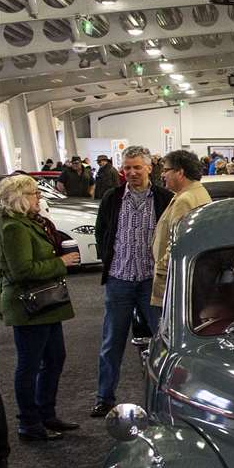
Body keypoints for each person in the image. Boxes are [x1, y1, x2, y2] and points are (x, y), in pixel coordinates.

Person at [0, 173, 80, 443]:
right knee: (29, 365)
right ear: (21, 198)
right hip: (29, 306)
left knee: (55, 359)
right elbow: (22, 270)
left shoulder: (28, 223)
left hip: (45, 304)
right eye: (34, 193)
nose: (39, 197)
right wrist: (62, 263)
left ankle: (46, 413)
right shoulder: (14, 228)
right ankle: (29, 423)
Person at [90, 146, 172, 417]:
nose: (132, 173)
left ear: (150, 168)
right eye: (127, 168)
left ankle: (168, 395)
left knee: (164, 339)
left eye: (137, 167)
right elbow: (102, 231)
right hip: (120, 279)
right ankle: (104, 397)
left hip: (152, 281)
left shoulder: (164, 199)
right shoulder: (112, 198)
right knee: (112, 341)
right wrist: (108, 260)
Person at [149, 149, 212, 320]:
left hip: (175, 280)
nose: (162, 175)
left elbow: (179, 244)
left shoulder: (185, 199)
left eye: (166, 170)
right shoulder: (197, 192)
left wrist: (161, 267)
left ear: (180, 172)